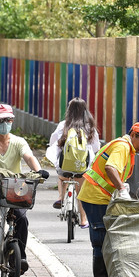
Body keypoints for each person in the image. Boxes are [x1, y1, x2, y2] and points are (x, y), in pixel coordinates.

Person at [77, 122, 139, 277]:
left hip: (101, 197)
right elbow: (110, 168)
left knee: (107, 239)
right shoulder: (122, 147)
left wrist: (121, 187)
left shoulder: (128, 149)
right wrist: (121, 188)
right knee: (100, 240)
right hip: (95, 197)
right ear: (135, 135)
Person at [0, 103, 49, 274]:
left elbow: (29, 157)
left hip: (14, 188)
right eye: (1, 120)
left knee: (21, 218)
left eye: (8, 120)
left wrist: (38, 171)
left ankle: (17, 258)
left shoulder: (18, 142)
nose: (5, 123)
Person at [45, 97, 100, 228]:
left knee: (61, 177)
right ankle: (83, 220)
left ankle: (61, 198)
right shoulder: (90, 127)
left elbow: (53, 141)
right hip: (82, 167)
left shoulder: (63, 125)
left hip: (65, 166)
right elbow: (96, 147)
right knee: (81, 191)